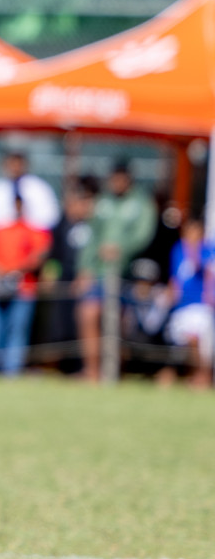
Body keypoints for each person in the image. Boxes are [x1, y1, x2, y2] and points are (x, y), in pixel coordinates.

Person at [75, 160, 156, 381]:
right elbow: (92, 238)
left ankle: (114, 371)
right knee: (88, 313)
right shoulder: (103, 202)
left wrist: (122, 250)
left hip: (126, 274)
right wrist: (84, 268)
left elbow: (143, 236)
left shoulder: (141, 203)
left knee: (119, 321)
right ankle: (91, 371)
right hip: (100, 272)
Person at [0, 193, 52, 376]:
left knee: (16, 330)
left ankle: (11, 370)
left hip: (23, 287)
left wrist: (16, 270)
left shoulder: (34, 231)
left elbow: (41, 254)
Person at [40, 176, 97, 372]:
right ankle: (60, 366)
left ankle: (80, 367)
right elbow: (52, 254)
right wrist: (50, 273)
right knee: (60, 325)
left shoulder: (94, 226)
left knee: (80, 325)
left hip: (87, 283)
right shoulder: (61, 225)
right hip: (64, 282)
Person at [162, 215, 215, 388]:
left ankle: (202, 375)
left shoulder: (207, 250)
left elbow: (204, 269)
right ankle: (190, 374)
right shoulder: (177, 249)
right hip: (181, 305)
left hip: (200, 305)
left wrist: (193, 249)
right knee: (182, 341)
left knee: (198, 340)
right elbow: (175, 276)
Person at [0, 149, 60, 234]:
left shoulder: (40, 188)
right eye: (12, 164)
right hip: (3, 237)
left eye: (18, 164)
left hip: (33, 236)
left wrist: (27, 223)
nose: (15, 168)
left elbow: (52, 216)